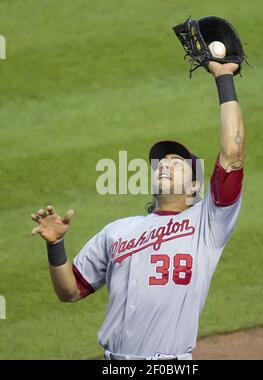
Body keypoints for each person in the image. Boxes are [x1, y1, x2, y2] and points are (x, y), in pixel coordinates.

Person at [31, 61, 245, 360]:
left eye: (177, 162)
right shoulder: (118, 230)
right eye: (162, 162)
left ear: (196, 187)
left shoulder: (208, 223)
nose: (166, 165)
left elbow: (233, 155)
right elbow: (70, 291)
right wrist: (56, 246)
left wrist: (223, 79)